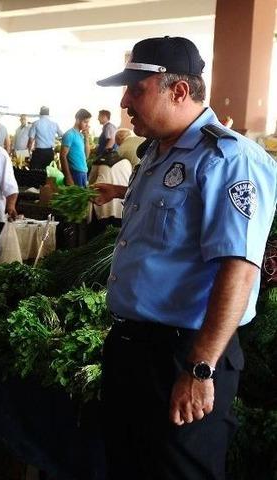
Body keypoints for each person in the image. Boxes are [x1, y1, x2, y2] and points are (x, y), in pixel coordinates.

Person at [93, 36, 277, 479]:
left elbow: (239, 268)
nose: (124, 101)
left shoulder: (229, 160)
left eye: (136, 90)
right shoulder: (155, 154)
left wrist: (200, 367)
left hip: (185, 354)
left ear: (178, 91)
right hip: (132, 349)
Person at [59, 108, 91, 186]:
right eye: (85, 122)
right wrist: (68, 176)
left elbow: (86, 155)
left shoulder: (80, 135)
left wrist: (86, 138)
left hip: (83, 172)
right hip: (74, 173)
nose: (87, 125)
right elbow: (62, 156)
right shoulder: (69, 134)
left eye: (88, 122)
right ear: (77, 120)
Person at [28, 106, 63, 170]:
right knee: (48, 174)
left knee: (34, 174)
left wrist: (29, 152)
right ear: (48, 113)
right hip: (49, 152)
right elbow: (62, 135)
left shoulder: (36, 123)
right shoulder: (54, 124)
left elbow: (31, 140)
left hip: (38, 152)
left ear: (40, 113)